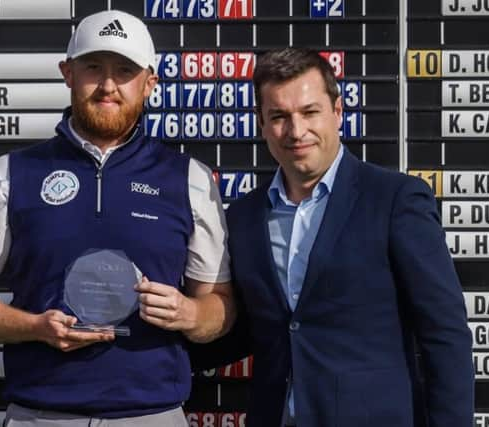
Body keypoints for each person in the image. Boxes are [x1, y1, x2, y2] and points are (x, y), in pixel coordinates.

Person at [0, 9, 235, 426]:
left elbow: (220, 306)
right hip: (40, 415)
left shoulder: (190, 179)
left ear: (149, 83)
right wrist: (35, 327)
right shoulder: (11, 173)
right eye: (93, 67)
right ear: (68, 73)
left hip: (153, 416)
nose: (108, 85)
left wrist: (191, 314)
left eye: (124, 71)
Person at [197, 48, 474, 427]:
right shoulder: (244, 217)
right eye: (279, 117)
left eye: (310, 112)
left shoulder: (395, 200)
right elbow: (251, 329)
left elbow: (444, 332)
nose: (296, 131)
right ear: (261, 123)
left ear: (338, 112)